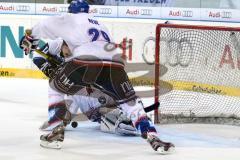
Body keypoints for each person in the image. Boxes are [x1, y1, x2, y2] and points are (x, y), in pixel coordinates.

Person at [20, 0, 174, 154]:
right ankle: (153, 137)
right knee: (130, 102)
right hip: (115, 64)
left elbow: (46, 24)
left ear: (71, 11)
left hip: (85, 61)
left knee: (55, 85)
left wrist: (30, 38)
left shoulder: (72, 18)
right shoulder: (101, 24)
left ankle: (56, 130)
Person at [31, 38, 138, 136]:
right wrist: (48, 69)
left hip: (104, 93)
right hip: (99, 99)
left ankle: (120, 115)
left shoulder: (81, 50)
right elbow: (37, 56)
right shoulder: (63, 44)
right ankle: (119, 116)